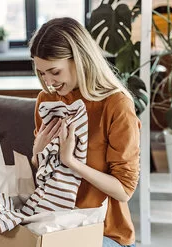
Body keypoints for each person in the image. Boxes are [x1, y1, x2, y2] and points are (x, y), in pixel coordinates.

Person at [29, 17, 140, 247]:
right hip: (55, 223)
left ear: (79, 59)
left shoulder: (116, 105)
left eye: (54, 72)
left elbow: (124, 190)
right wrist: (37, 154)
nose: (49, 82)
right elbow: (46, 176)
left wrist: (71, 162)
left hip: (104, 232)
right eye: (41, 73)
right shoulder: (47, 101)